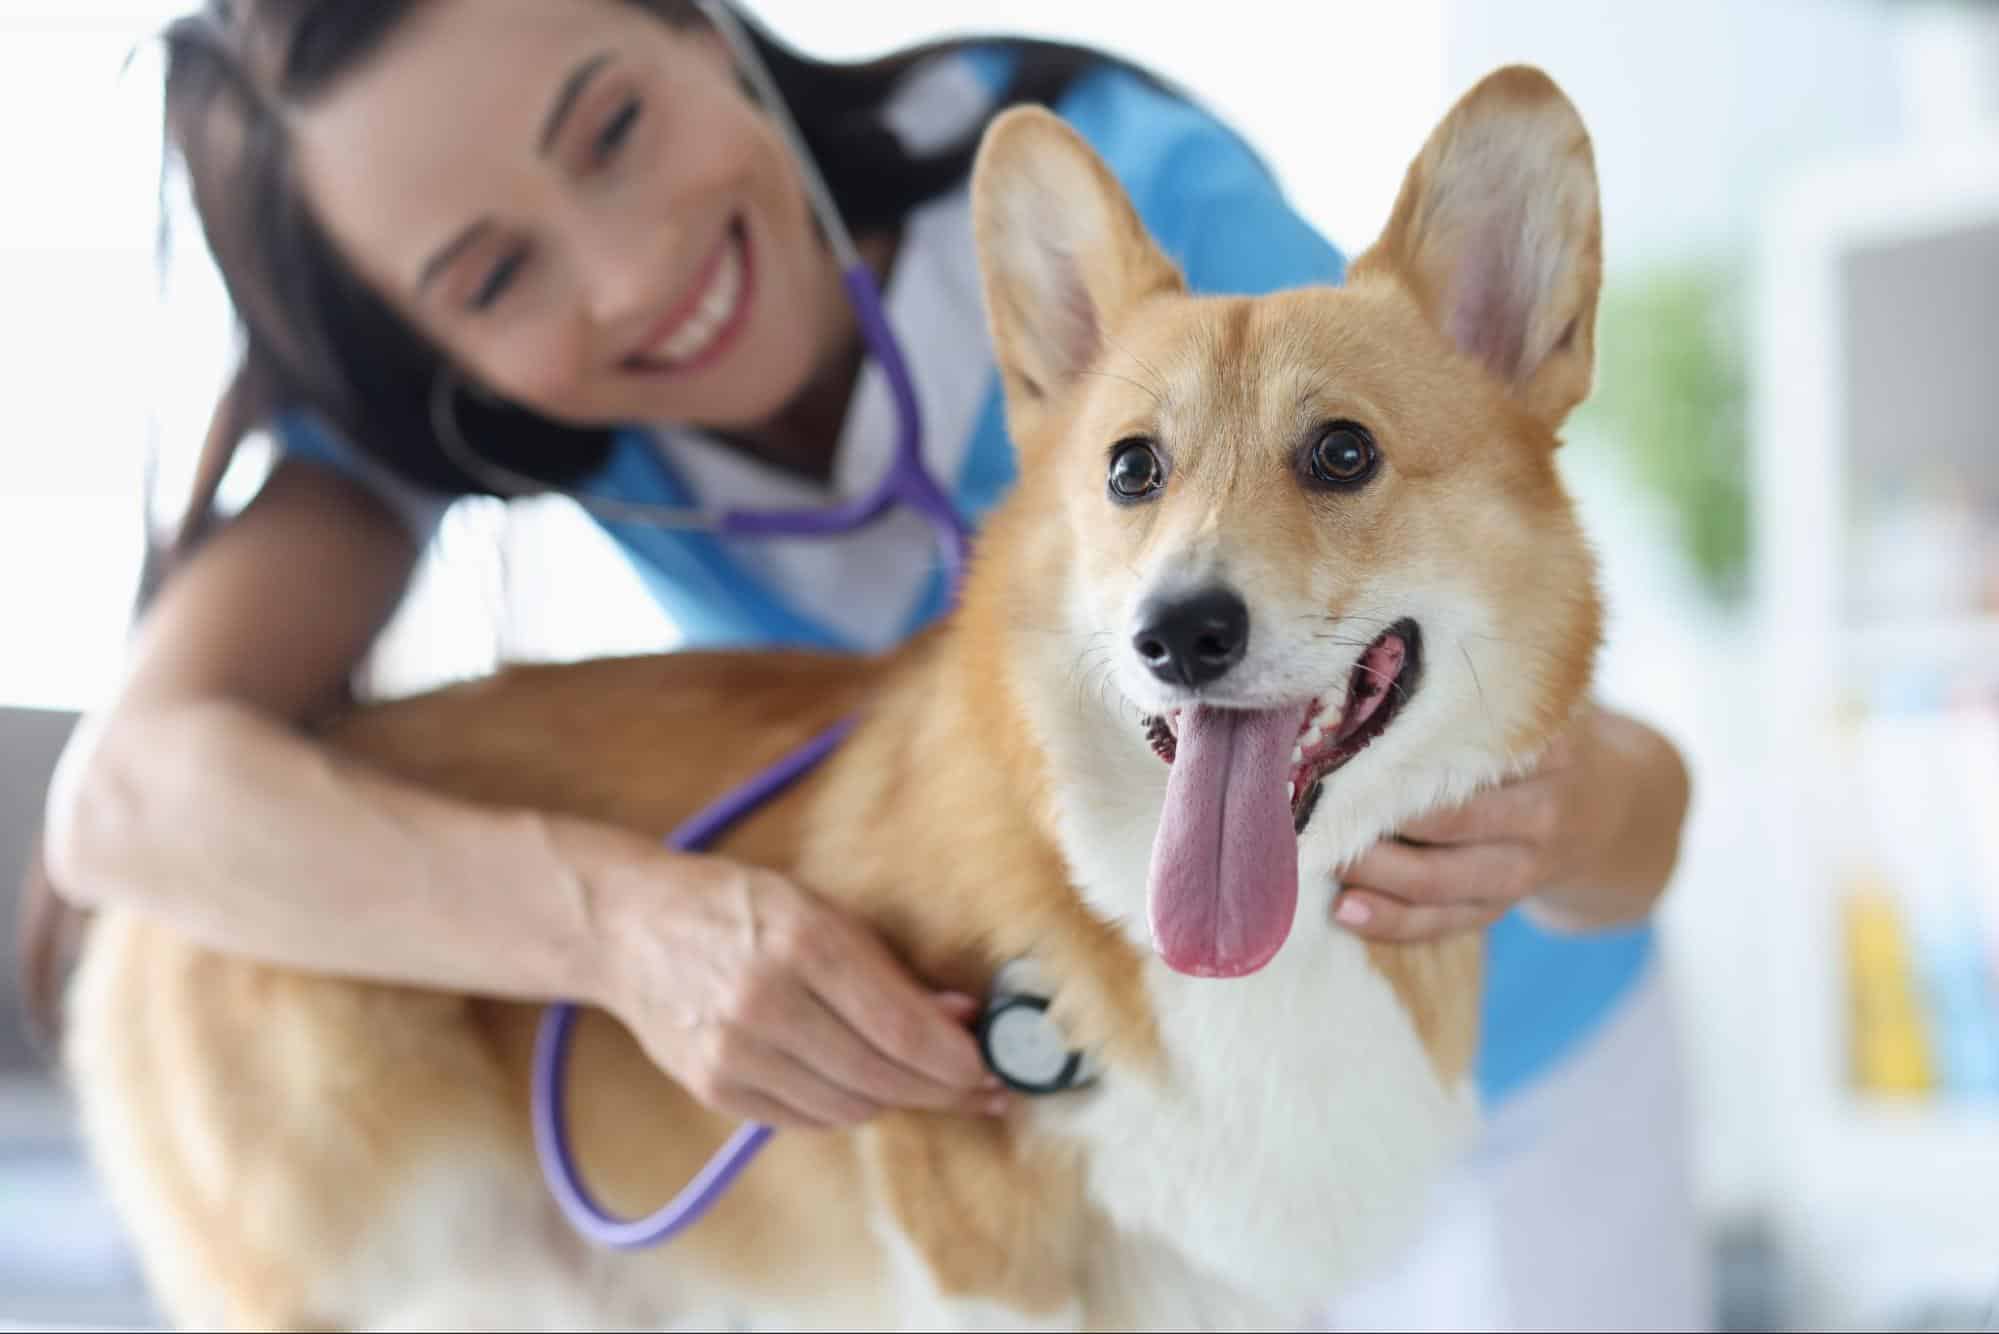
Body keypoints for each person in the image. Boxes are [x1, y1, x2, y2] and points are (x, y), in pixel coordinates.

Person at [39, 1, 1710, 1327]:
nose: (627, 271)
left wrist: (1545, 817)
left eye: (613, 127)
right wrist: (632, 928)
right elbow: (128, 800)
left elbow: (1602, 748)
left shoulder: (1147, 218)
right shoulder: (473, 408)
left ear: (706, 27)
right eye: (494, 274)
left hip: (1514, 1068)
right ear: (434, 358)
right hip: (1102, 1124)